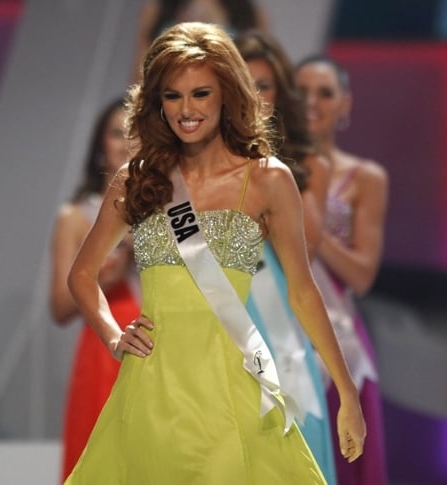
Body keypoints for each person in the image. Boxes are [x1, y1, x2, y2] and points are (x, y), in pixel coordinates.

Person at [64, 22, 365, 484]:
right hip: (151, 388)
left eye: (200, 94)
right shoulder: (138, 179)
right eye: (172, 96)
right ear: (156, 102)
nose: (186, 110)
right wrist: (112, 334)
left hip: (232, 386)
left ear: (227, 94)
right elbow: (81, 275)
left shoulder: (268, 179)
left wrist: (347, 393)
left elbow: (304, 292)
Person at [235, 29, 337, 484]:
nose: (254, 97)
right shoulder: (203, 164)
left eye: (264, 85)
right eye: (244, 84)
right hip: (226, 306)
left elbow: (309, 247)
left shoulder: (304, 165)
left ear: (280, 93)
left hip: (278, 303)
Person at [296, 55, 389, 485]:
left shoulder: (366, 178)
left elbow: (362, 275)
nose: (312, 102)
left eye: (326, 93)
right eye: (302, 91)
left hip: (337, 341)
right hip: (278, 329)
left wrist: (307, 225)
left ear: (345, 104)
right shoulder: (264, 169)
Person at [50, 98, 141, 481]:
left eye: (134, 133)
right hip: (109, 343)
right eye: (116, 132)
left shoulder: (172, 208)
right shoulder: (76, 217)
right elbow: (58, 307)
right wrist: (104, 278)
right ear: (99, 144)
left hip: (160, 336)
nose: (125, 143)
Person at [131, 0, 268, 81]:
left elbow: (254, 73)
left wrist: (218, 26)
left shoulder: (250, 14)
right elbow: (140, 71)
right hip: (163, 97)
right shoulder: (159, 8)